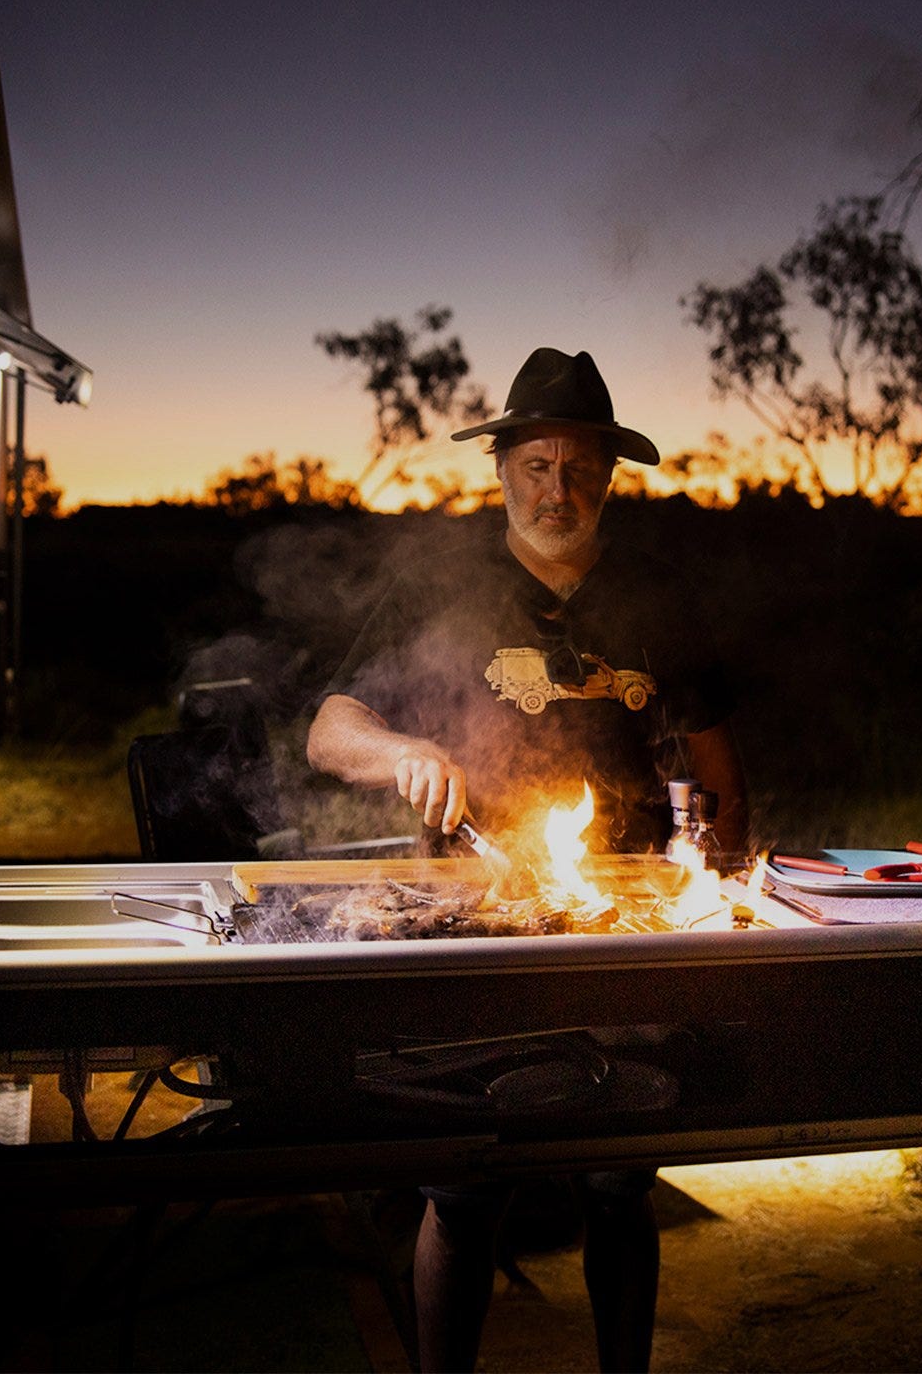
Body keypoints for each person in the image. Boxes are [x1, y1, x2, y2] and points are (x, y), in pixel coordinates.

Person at [307, 346, 748, 1372]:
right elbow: (329, 730)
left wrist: (718, 898)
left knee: (620, 1180)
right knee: (465, 1189)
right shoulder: (443, 587)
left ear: (610, 478)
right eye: (539, 465)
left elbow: (719, 765)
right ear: (502, 468)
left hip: (621, 915)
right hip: (477, 917)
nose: (560, 489)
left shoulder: (656, 599)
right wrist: (402, 752)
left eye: (582, 468)